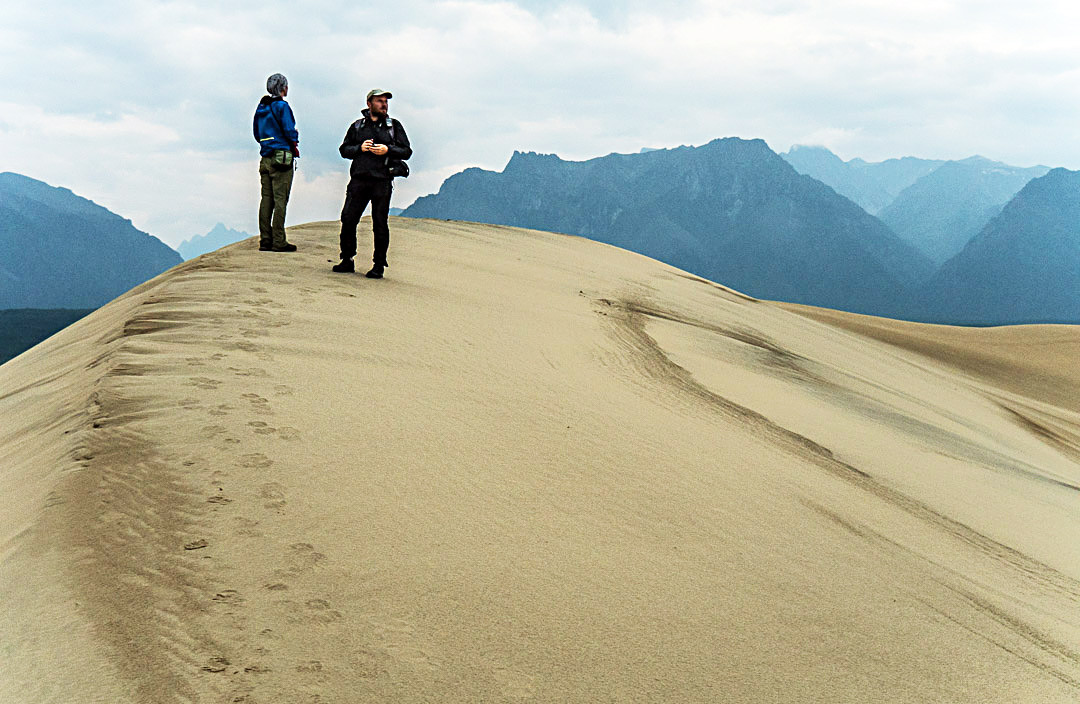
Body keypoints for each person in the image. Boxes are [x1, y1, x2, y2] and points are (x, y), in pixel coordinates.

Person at [332, 89, 412, 278]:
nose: (384, 105)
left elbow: (407, 151)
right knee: (349, 219)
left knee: (380, 223)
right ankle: (347, 260)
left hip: (382, 182)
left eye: (385, 101)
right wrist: (359, 148)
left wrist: (388, 149)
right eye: (380, 101)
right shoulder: (358, 126)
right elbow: (344, 149)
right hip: (359, 180)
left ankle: (379, 265)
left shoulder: (394, 126)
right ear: (369, 103)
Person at [253, 73, 299, 252]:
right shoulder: (282, 106)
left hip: (265, 157)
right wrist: (294, 140)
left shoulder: (261, 108)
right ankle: (278, 241)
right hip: (281, 158)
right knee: (280, 200)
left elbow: (257, 133)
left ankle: (265, 240)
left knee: (266, 200)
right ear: (282, 88)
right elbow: (289, 129)